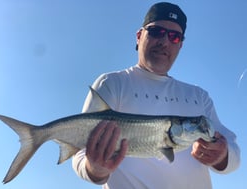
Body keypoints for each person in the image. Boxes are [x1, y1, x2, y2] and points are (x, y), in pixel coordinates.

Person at [72, 2, 240, 189]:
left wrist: (222, 155)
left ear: (180, 45)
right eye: (156, 32)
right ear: (139, 36)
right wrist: (94, 169)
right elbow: (79, 150)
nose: (164, 42)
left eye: (174, 37)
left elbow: (234, 155)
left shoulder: (199, 96)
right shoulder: (112, 83)